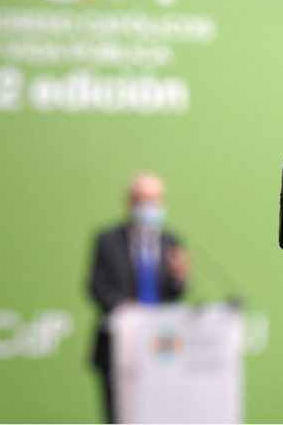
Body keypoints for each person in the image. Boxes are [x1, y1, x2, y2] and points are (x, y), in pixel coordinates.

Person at [88, 174, 189, 423]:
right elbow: (96, 287)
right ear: (130, 202)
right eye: (143, 200)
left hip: (160, 342)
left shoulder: (171, 241)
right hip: (117, 342)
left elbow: (174, 293)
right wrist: (124, 307)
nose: (149, 207)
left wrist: (180, 277)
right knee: (120, 414)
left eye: (155, 200)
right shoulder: (108, 240)